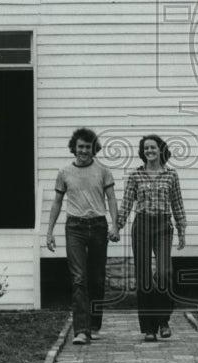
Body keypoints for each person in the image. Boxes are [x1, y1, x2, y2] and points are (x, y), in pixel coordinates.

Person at [47, 128, 119, 345]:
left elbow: (112, 199)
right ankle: (81, 330)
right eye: (80, 147)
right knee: (78, 279)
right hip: (74, 227)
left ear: (93, 148)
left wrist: (115, 225)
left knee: (96, 279)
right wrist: (49, 232)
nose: (84, 151)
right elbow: (57, 202)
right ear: (74, 148)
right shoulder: (64, 172)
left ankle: (94, 324)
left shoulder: (103, 171)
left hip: (98, 226)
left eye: (88, 147)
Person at [113, 134, 186, 342]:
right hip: (142, 225)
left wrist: (181, 230)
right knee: (144, 277)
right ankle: (149, 328)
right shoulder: (136, 176)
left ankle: (163, 320)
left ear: (160, 149)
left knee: (164, 273)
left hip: (163, 225)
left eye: (153, 148)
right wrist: (117, 227)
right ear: (142, 152)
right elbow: (127, 203)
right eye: (146, 148)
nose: (150, 151)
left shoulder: (171, 175)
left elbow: (177, 204)